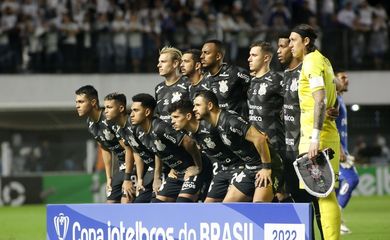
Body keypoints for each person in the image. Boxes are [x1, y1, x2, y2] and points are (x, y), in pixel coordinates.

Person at [289, 24, 341, 240]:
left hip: (316, 137)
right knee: (322, 194)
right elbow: (334, 90)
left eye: (293, 40)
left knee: (324, 195)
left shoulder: (310, 62)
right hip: (325, 133)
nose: (290, 45)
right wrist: (333, 108)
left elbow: (319, 100)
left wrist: (314, 139)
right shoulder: (323, 60)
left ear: (306, 41)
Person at [193, 90, 284, 202]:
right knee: (228, 205)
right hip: (249, 168)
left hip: (269, 166)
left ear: (210, 105)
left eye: (197, 105)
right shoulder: (217, 124)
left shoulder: (230, 120)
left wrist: (266, 168)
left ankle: (283, 197)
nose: (194, 109)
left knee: (259, 206)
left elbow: (260, 139)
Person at [130, 93, 209, 202]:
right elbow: (158, 151)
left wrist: (197, 166)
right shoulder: (139, 131)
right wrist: (157, 177)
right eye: (131, 110)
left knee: (182, 203)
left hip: (193, 168)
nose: (131, 114)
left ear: (147, 112)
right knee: (156, 204)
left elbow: (189, 142)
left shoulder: (160, 127)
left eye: (135, 110)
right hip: (176, 172)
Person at [169, 99, 244, 202]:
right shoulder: (188, 134)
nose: (172, 121)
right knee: (208, 207)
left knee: (230, 204)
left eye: (176, 117)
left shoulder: (211, 126)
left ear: (188, 116)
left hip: (240, 166)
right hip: (220, 170)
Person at [247, 40, 290, 202]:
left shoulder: (277, 80)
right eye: (249, 55)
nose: (249, 59)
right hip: (254, 150)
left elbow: (297, 101)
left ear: (266, 58)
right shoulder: (250, 81)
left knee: (279, 194)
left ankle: (297, 225)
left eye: (254, 55)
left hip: (275, 147)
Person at [75, 85, 127, 203]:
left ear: (93, 102)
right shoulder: (90, 123)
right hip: (121, 167)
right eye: (76, 102)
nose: (77, 105)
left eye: (81, 102)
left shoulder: (110, 119)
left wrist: (130, 176)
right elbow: (104, 148)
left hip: (133, 165)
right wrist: (109, 177)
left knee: (126, 202)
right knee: (111, 202)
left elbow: (130, 148)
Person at [104, 92, 158, 203]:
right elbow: (132, 150)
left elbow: (155, 151)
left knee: (128, 201)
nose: (105, 111)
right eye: (105, 107)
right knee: (111, 202)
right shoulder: (117, 127)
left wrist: (136, 178)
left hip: (153, 167)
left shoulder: (134, 126)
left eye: (109, 107)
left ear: (121, 108)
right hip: (134, 169)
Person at [334, 71, 359, 235]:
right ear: (335, 79)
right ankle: (336, 216)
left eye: (347, 77)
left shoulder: (340, 98)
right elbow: (330, 124)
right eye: (342, 77)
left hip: (341, 148)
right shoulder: (334, 98)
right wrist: (340, 149)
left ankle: (336, 220)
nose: (346, 80)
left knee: (336, 186)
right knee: (351, 179)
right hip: (336, 149)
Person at [200, 39, 250, 118]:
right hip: (214, 128)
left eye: (206, 53)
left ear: (218, 56)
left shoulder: (237, 73)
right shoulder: (204, 78)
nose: (201, 56)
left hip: (236, 127)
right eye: (202, 53)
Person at [155, 46, 190, 122]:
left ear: (175, 63)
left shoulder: (188, 84)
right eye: (159, 62)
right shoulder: (158, 88)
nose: (158, 65)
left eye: (163, 62)